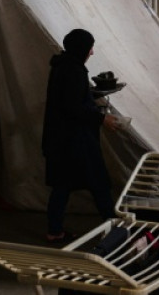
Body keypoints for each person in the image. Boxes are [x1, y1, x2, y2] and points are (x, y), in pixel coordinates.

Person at [42, 28, 120, 242]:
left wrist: (90, 95)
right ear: (81, 49)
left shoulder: (62, 66)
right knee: (99, 183)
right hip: (75, 141)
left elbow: (69, 99)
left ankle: (54, 230)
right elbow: (73, 107)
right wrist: (103, 119)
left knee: (62, 185)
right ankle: (114, 228)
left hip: (61, 140)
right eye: (90, 47)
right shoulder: (74, 71)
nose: (92, 52)